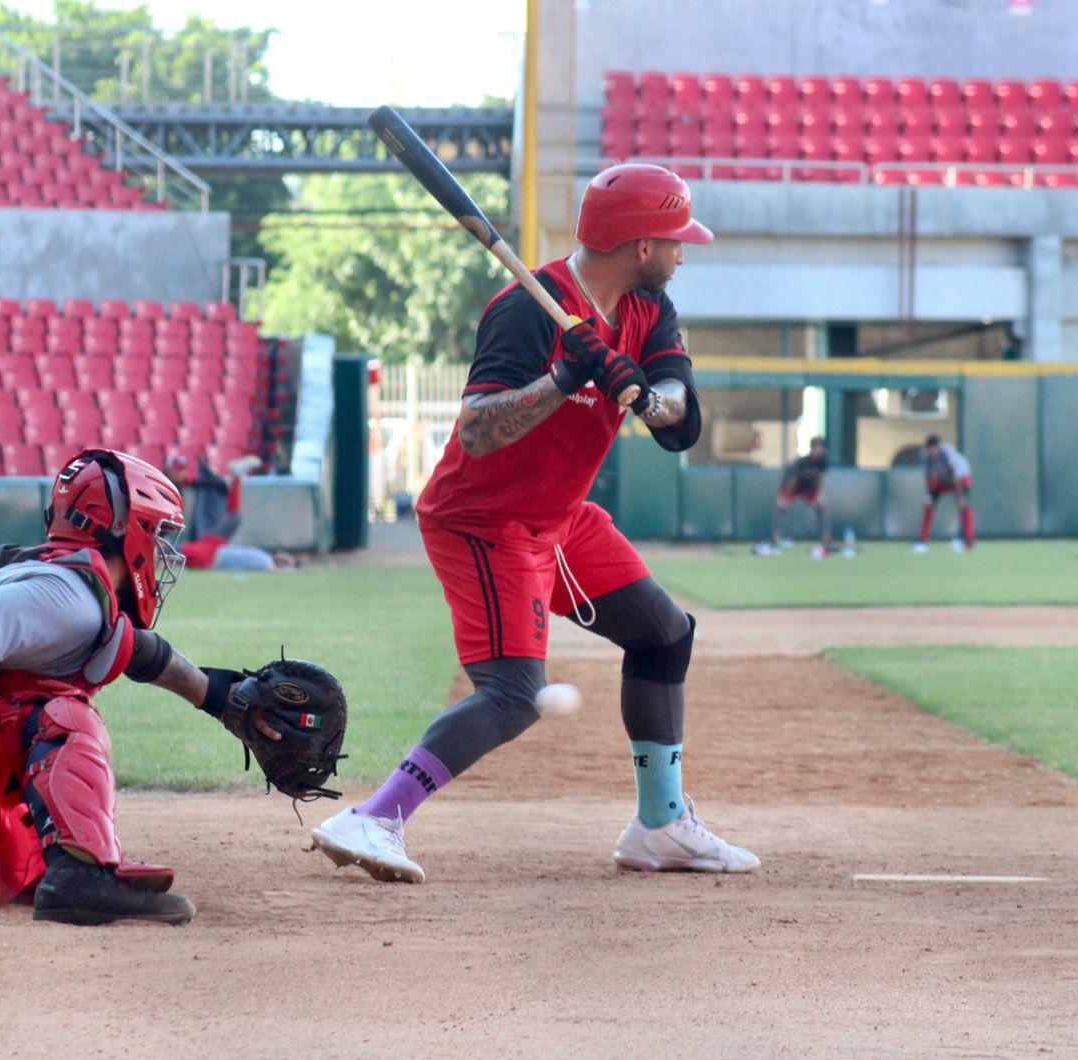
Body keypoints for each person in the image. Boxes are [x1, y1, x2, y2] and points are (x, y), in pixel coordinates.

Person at [310, 163, 758, 883]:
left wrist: (643, 395)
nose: (683, 253)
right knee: (514, 695)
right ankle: (373, 819)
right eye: (675, 241)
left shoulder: (647, 312)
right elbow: (479, 430)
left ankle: (660, 824)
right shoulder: (526, 308)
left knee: (664, 633)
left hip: (561, 517)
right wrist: (562, 381)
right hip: (484, 519)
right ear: (641, 246)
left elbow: (678, 411)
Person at [0, 449, 270, 925]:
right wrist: (1, 728)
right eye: (157, 530)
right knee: (62, 713)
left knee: (18, 864)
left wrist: (217, 697)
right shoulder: (68, 598)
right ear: (123, 527)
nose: (162, 549)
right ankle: (83, 878)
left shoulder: (67, 587)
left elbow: (137, 649)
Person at [165, 454, 296, 571]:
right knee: (235, 517)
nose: (180, 473)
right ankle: (237, 476)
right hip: (208, 548)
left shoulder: (265, 561)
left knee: (235, 517)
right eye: (177, 470)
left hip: (206, 553)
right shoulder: (265, 558)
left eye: (181, 470)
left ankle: (237, 476)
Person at [769, 437, 832, 557]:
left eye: (821, 448)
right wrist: (785, 497)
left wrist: (818, 494)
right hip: (794, 487)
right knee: (781, 507)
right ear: (812, 449)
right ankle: (776, 538)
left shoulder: (823, 461)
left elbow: (820, 478)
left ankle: (826, 539)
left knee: (821, 506)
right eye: (816, 448)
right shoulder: (800, 462)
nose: (819, 451)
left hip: (809, 488)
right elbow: (791, 481)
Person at [916, 434, 974, 553]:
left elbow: (955, 475)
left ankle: (968, 542)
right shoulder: (925, 456)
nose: (933, 452)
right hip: (942, 479)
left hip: (961, 477)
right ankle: (923, 541)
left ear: (939, 447)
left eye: (935, 449)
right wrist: (928, 494)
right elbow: (928, 475)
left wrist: (960, 496)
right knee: (929, 505)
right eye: (930, 449)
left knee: (964, 506)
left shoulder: (948, 455)